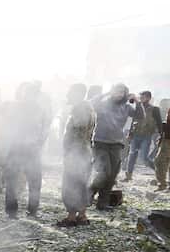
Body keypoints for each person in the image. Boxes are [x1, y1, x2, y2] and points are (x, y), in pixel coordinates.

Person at [90, 83, 144, 210]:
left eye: (122, 92)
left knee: (112, 175)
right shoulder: (103, 104)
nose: (119, 94)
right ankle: (89, 192)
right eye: (116, 91)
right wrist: (107, 93)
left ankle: (102, 203)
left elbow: (140, 116)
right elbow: (91, 103)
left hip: (116, 144)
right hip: (100, 142)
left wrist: (137, 102)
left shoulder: (126, 107)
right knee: (104, 173)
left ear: (125, 94)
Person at [3, 82, 50, 218]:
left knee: (34, 181)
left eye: (32, 94)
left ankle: (32, 210)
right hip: (18, 147)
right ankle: (13, 211)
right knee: (13, 180)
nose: (29, 96)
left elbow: (45, 130)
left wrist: (39, 143)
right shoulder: (14, 107)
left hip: (30, 148)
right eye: (28, 93)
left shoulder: (40, 109)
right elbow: (7, 127)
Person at [61, 83, 96, 225]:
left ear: (77, 93)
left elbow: (77, 131)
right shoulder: (89, 108)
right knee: (81, 183)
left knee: (71, 184)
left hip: (76, 153)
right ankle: (82, 215)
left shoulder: (80, 109)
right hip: (85, 151)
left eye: (70, 92)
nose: (67, 95)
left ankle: (72, 217)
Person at [125, 91, 163, 181]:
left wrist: (161, 135)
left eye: (143, 97)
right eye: (140, 97)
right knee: (132, 155)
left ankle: (159, 172)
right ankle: (128, 176)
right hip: (135, 135)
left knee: (144, 158)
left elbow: (159, 123)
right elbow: (134, 121)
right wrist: (130, 133)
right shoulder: (138, 107)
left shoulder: (155, 109)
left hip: (146, 136)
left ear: (149, 98)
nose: (141, 98)